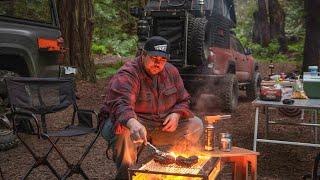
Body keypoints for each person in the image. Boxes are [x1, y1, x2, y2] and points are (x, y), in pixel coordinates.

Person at [100, 36, 203, 179]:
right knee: (124, 132)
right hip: (130, 124)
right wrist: (132, 122)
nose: (158, 63)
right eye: (154, 58)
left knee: (196, 124)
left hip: (159, 125)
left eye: (162, 60)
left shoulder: (171, 72)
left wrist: (176, 114)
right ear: (143, 55)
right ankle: (127, 175)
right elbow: (120, 103)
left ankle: (179, 164)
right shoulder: (128, 73)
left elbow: (183, 99)